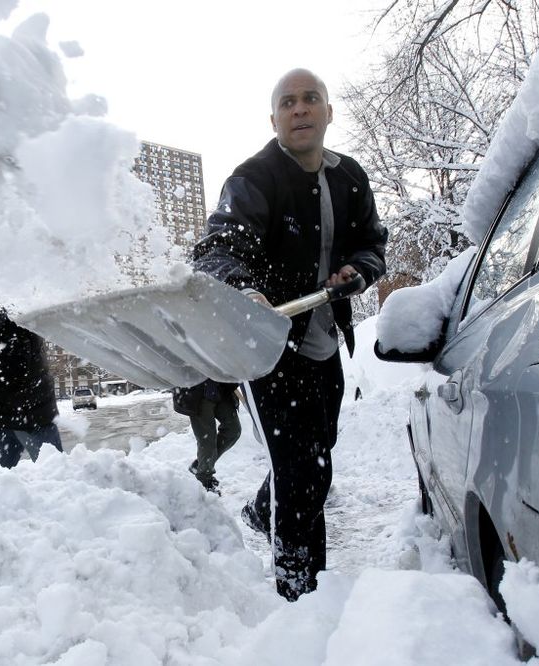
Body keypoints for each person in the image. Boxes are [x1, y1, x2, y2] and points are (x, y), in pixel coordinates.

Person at [192, 68, 388, 600]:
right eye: (288, 102)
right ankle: (302, 597)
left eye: (311, 100)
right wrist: (245, 290)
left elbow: (372, 243)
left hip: (324, 344)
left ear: (328, 112)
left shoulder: (350, 177)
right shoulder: (253, 179)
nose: (300, 109)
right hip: (270, 350)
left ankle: (263, 509)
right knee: (300, 474)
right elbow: (216, 250)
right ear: (274, 118)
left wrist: (360, 271)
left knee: (317, 457)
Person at [0, 299, 62, 468]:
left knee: (56, 472)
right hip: (3, 417)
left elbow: (18, 370)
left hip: (27, 416)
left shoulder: (11, 321)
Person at [172, 380, 241, 494]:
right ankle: (204, 479)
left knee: (233, 431)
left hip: (221, 387)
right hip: (197, 392)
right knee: (207, 441)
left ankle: (200, 465)